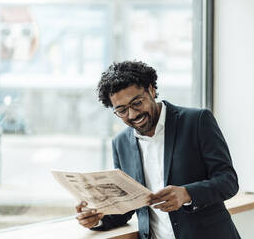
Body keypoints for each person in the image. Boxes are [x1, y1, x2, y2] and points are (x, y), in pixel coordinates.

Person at [76, 61, 241, 239]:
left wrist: (187, 194)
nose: (132, 115)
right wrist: (96, 218)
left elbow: (228, 181)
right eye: (122, 110)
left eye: (137, 103)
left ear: (151, 90)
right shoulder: (120, 143)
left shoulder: (197, 121)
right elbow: (126, 207)